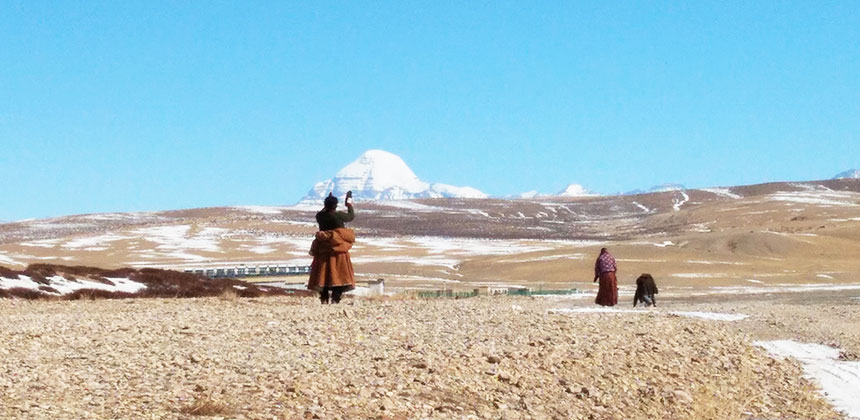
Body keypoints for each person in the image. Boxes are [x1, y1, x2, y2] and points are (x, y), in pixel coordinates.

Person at [307, 191, 356, 304]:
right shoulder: (338, 215)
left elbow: (322, 212)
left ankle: (324, 298)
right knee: (340, 274)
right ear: (335, 205)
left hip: (323, 248)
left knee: (323, 274)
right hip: (338, 248)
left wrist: (328, 202)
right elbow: (351, 216)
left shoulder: (320, 216)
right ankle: (336, 299)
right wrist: (349, 203)